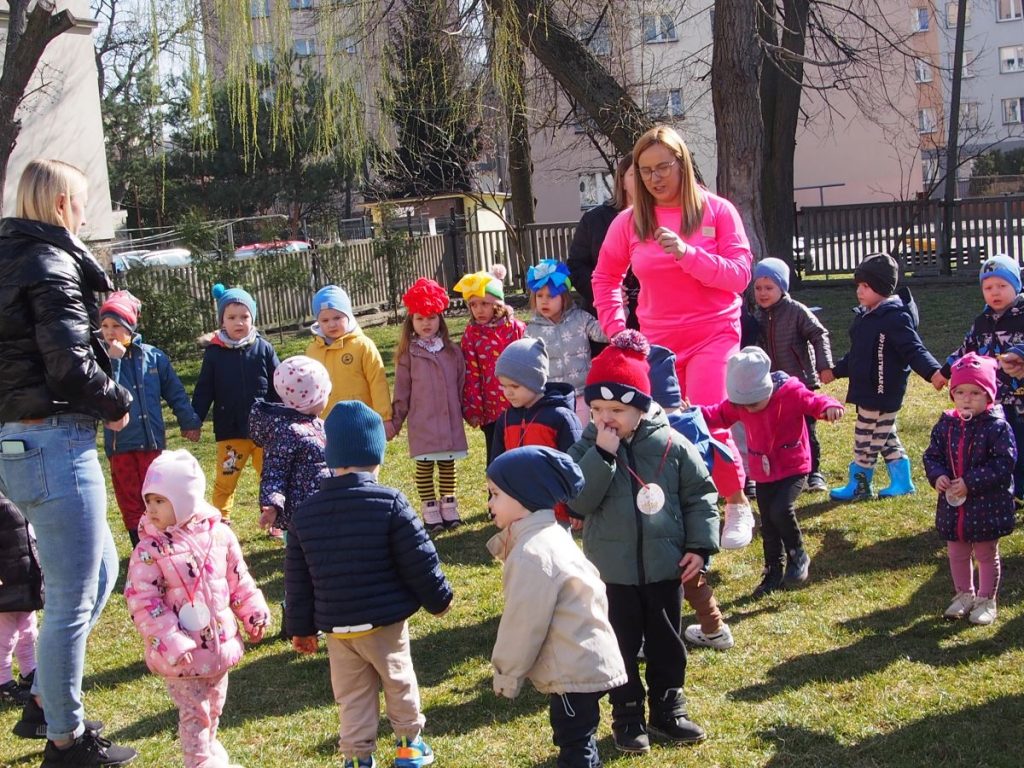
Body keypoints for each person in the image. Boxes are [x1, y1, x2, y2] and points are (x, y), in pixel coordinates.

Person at [0, 158, 137, 765]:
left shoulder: (12, 261)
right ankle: (67, 740)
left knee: (103, 569)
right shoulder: (50, 263)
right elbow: (67, 366)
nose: (86, 212)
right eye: (82, 202)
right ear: (61, 207)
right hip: (55, 441)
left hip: (24, 442)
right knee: (72, 599)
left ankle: (44, 702)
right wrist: (118, 401)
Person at [590, 125, 755, 552]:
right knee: (660, 434)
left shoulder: (718, 212)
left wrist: (687, 255)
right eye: (644, 171)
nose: (654, 178)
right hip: (657, 345)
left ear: (682, 163)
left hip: (713, 332)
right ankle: (674, 515)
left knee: (706, 418)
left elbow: (739, 277)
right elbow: (606, 276)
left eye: (663, 167)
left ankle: (736, 503)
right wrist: (618, 331)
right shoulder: (630, 221)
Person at [568, 331, 718, 754]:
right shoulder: (588, 445)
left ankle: (669, 708)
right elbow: (579, 501)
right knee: (620, 643)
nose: (605, 418)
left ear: (640, 406)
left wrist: (699, 546)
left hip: (664, 566)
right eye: (596, 409)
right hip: (611, 571)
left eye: (616, 409)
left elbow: (700, 495)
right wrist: (601, 455)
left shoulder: (672, 444)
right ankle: (627, 713)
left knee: (666, 640)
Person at [286, 401, 454, 768]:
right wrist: (439, 599)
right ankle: (409, 744)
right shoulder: (390, 501)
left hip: (338, 628)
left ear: (332, 457)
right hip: (384, 622)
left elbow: (297, 580)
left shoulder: (305, 513)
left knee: (352, 695)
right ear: (376, 455)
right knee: (397, 679)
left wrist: (300, 628)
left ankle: (357, 757)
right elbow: (419, 559)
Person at [124, 450, 270, 768]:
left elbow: (238, 579)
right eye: (148, 500)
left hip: (217, 647)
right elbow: (143, 601)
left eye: (160, 501)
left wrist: (253, 611)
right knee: (196, 712)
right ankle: (199, 761)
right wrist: (173, 641)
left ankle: (210, 751)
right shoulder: (150, 550)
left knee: (214, 706)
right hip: (183, 656)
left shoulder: (219, 535)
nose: (151, 509)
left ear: (186, 500)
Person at [487, 446, 627, 768]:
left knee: (574, 743)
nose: (489, 504)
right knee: (578, 736)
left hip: (572, 667)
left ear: (524, 496)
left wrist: (507, 675)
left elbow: (523, 623)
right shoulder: (550, 535)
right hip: (583, 656)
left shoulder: (533, 554)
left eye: (495, 495)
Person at [703, 347, 844, 598]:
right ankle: (772, 572)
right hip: (763, 470)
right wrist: (691, 414)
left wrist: (830, 407)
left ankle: (797, 554)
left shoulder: (790, 392)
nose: (750, 410)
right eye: (743, 406)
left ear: (766, 389)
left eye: (755, 403)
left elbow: (815, 402)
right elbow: (717, 415)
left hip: (793, 466)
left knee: (781, 509)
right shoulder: (741, 404)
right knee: (768, 523)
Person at [824, 254, 944, 501]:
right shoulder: (865, 316)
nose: (859, 291)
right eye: (858, 285)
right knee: (885, 435)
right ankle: (902, 481)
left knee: (865, 438)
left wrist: (933, 372)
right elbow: (857, 355)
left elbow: (914, 349)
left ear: (882, 287)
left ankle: (860, 485)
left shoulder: (894, 317)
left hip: (882, 391)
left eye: (866, 286)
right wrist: (835, 371)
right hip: (867, 390)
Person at [646, 346, 734, 650]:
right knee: (694, 582)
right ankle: (715, 629)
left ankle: (647, 639)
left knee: (650, 587)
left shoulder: (657, 437)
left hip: (661, 530)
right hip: (692, 529)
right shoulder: (690, 423)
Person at [99, 290, 202, 546]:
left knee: (157, 494)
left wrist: (188, 421)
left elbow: (176, 392)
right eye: (105, 326)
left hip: (152, 445)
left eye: (117, 326)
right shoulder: (101, 360)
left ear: (131, 327)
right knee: (130, 498)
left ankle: (165, 540)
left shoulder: (153, 357)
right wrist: (115, 361)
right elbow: (106, 391)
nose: (110, 332)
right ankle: (140, 544)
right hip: (120, 446)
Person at [923, 354, 1016, 625]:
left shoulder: (997, 427)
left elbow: (1004, 463)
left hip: (987, 504)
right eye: (960, 392)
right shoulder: (946, 425)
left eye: (975, 392)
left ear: (989, 396)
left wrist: (970, 482)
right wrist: (937, 475)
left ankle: (987, 599)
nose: (967, 398)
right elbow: (932, 455)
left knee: (986, 553)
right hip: (955, 508)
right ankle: (964, 594)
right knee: (957, 551)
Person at [191, 283, 280, 522]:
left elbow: (279, 385)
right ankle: (220, 521)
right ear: (222, 321)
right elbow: (203, 390)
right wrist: (193, 420)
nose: (239, 322)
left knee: (271, 476)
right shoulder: (214, 353)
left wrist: (285, 416)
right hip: (231, 431)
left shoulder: (264, 349)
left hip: (265, 431)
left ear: (253, 318)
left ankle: (274, 518)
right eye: (232, 317)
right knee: (225, 480)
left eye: (244, 316)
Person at [938, 254, 1024, 500]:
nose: (995, 292)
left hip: (1021, 397)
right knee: (1000, 447)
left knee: (1021, 443)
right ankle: (1007, 490)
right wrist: (945, 371)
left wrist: (1018, 353)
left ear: (1016, 286)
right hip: (994, 400)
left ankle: (1020, 489)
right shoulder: (982, 322)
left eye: (1002, 286)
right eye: (988, 287)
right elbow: (966, 350)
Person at [387, 278, 468, 532]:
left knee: (447, 463)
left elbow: (461, 385)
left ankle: (449, 505)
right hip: (422, 420)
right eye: (420, 318)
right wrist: (395, 421)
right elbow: (402, 391)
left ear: (440, 319)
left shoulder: (452, 351)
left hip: (449, 419)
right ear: (411, 321)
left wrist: (467, 411)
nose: (426, 324)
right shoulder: (409, 354)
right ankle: (429, 508)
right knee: (424, 465)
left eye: (431, 318)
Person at [751, 258, 834, 493]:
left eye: (769, 288)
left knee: (807, 428)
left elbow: (819, 334)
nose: (763, 294)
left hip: (800, 381)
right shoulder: (756, 316)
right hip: (770, 386)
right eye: (758, 288)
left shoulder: (795, 311)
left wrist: (824, 365)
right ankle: (780, 471)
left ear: (782, 288)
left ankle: (814, 472)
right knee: (774, 429)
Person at [492, 338, 583, 529]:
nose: (507, 393)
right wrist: (495, 498)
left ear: (535, 381)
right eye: (504, 386)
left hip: (555, 512)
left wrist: (576, 509)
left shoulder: (561, 418)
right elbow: (496, 464)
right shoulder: (506, 419)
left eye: (514, 386)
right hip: (516, 509)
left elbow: (575, 466)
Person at [248, 355, 332, 535]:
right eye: (326, 393)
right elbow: (274, 470)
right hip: (301, 514)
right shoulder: (288, 431)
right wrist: (272, 503)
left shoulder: (317, 424)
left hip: (323, 507)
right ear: (312, 398)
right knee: (303, 556)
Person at [455, 265, 526, 463]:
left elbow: (528, 364)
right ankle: (495, 493)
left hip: (520, 406)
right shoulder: (471, 335)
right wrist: (474, 409)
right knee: (495, 459)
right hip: (491, 411)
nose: (479, 310)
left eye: (485, 304)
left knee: (522, 456)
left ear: (497, 304)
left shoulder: (516, 329)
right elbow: (471, 374)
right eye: (473, 305)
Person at [525, 258, 608, 424]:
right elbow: (528, 362)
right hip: (552, 396)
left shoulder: (580, 319)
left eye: (551, 295)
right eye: (539, 296)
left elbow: (604, 334)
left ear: (564, 297)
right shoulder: (532, 330)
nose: (544, 300)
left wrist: (619, 310)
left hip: (582, 393)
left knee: (581, 434)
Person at [567, 155, 640, 331]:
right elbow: (576, 266)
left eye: (645, 172)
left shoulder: (662, 218)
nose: (642, 180)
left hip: (651, 318)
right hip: (603, 320)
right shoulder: (594, 219)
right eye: (634, 174)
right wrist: (605, 294)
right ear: (622, 181)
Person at [305, 284, 392, 421]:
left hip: (362, 421)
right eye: (325, 320)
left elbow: (378, 383)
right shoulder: (312, 352)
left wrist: (385, 418)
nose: (332, 324)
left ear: (348, 316)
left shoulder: (363, 345)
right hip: (327, 424)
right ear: (318, 322)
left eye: (337, 318)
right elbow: (306, 388)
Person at [0, 493, 42, 707]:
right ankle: (3, 683)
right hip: (5, 580)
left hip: (26, 574)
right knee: (5, 636)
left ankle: (29, 672)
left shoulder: (17, 488)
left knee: (28, 630)